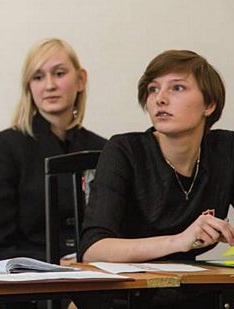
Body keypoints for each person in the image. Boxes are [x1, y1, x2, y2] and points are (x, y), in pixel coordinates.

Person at [80, 50, 234, 263]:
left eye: (177, 88)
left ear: (209, 105)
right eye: (153, 89)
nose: (160, 99)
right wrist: (179, 241)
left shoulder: (225, 149)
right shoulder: (125, 150)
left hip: (194, 281)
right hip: (129, 282)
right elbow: (92, 250)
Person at [0, 38, 107, 263]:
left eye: (59, 73)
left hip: (97, 272)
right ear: (29, 86)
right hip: (34, 276)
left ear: (81, 80)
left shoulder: (103, 149)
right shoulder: (5, 147)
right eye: (38, 77)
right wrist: (56, 263)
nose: (49, 85)